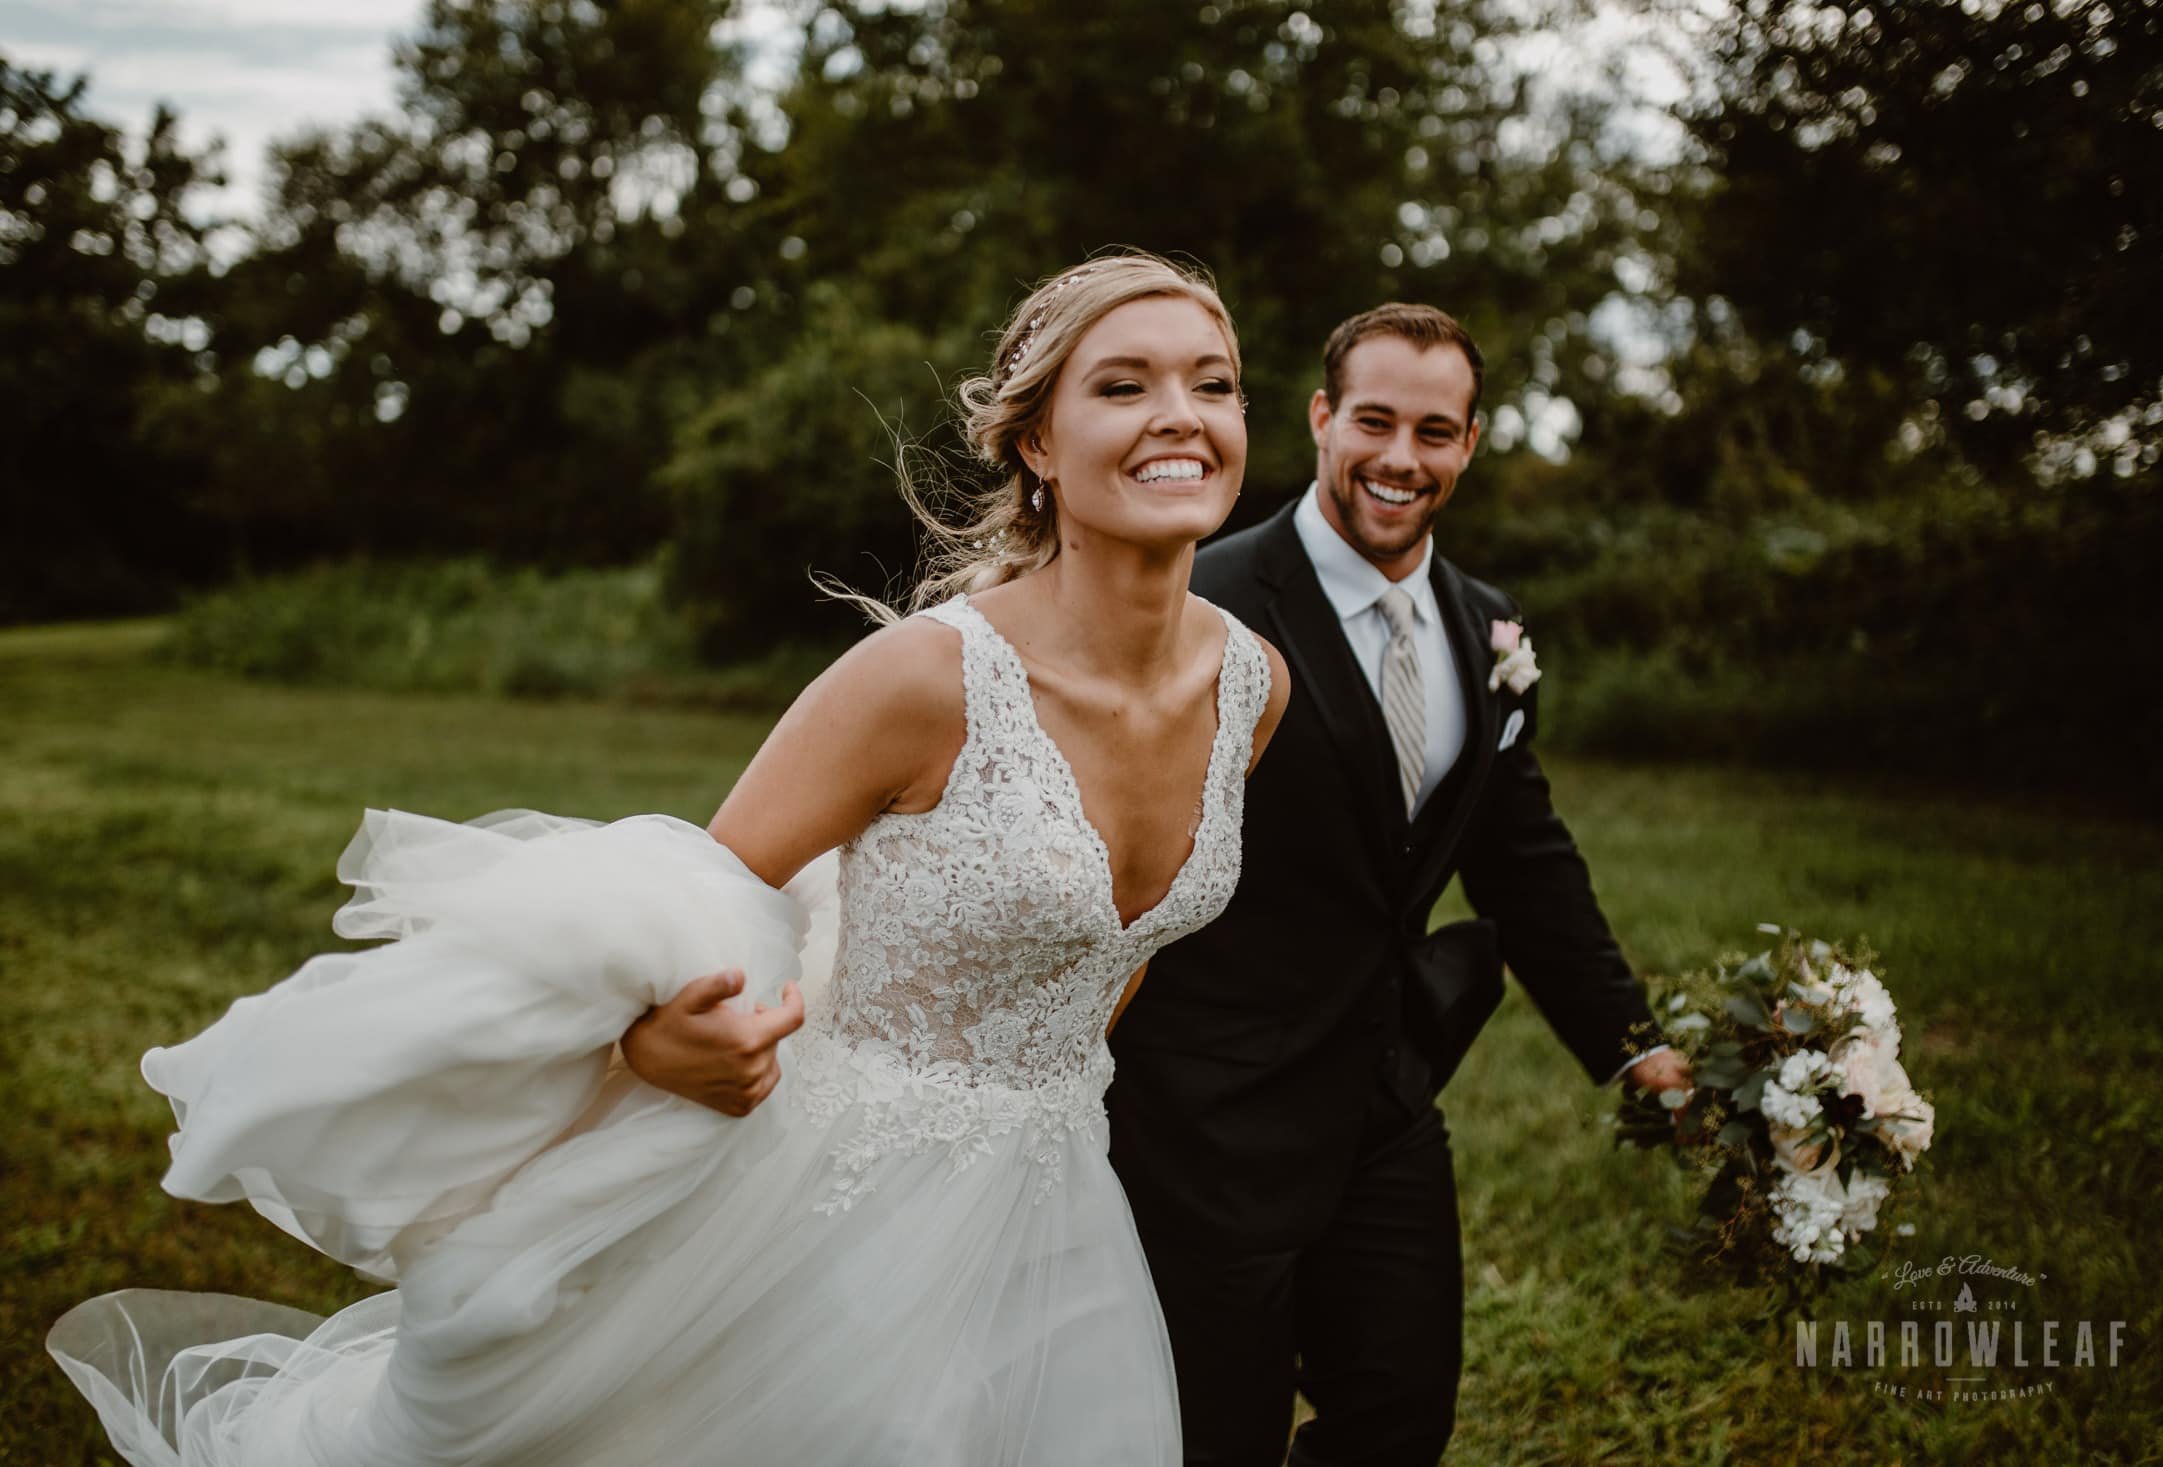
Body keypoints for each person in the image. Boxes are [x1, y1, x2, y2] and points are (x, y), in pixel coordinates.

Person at [49, 250, 1289, 1467]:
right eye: (1123, 386)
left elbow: (1115, 950)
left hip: (1058, 1191)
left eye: (1213, 383)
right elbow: (705, 896)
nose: (1180, 417)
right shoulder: (926, 677)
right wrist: (654, 1043)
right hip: (840, 1195)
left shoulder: (1250, 686)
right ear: (1036, 442)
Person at [1101, 302, 1693, 1467]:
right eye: (1372, 421)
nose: (1398, 459)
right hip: (1204, 1110)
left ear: (1468, 444)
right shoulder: (1203, 599)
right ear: (1322, 419)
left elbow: (1521, 859)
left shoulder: (1486, 632)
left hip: (1384, 1092)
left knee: (1399, 1414)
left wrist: (1632, 1043)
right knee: (1216, 1429)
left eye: (1434, 431)